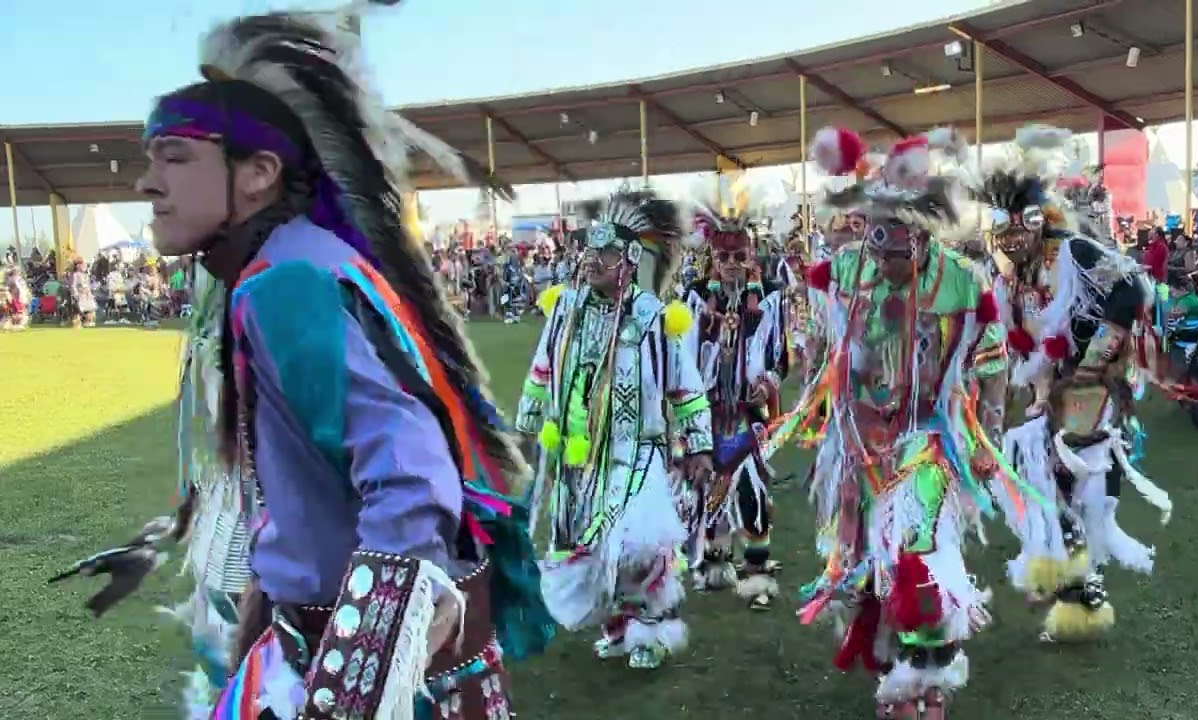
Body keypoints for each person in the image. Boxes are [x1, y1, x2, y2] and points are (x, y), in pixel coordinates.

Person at [50, 8, 554, 718]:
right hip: (321, 641)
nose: (146, 183)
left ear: (258, 174)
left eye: (176, 156)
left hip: (372, 668)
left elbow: (411, 478)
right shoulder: (288, 265)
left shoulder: (287, 282)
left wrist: (353, 687)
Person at [795, 126, 1024, 715]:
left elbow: (992, 361)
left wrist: (987, 437)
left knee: (918, 554)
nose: (885, 261)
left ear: (921, 238)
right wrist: (810, 398)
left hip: (930, 439)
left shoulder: (963, 282)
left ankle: (927, 683)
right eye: (876, 245)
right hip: (857, 442)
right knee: (860, 565)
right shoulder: (843, 272)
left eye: (896, 250)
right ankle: (898, 667)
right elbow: (819, 340)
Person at [982, 125, 1173, 646]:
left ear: (1038, 222)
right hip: (1050, 387)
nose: (1011, 243)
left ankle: (1077, 584)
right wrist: (1037, 384)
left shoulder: (1074, 252)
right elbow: (1023, 340)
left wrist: (1097, 356)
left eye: (1019, 231)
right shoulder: (1010, 280)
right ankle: (1074, 588)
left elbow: (1133, 287)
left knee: (1078, 478)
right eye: (1003, 234)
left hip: (1090, 386)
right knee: (1043, 478)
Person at [516, 191, 714, 670]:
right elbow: (542, 370)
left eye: (604, 254)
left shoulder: (651, 317)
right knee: (592, 542)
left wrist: (699, 443)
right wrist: (526, 424)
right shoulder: (566, 310)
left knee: (637, 546)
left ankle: (651, 631)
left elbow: (684, 386)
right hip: (578, 455)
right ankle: (620, 627)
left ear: (628, 261)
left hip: (636, 451)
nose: (591, 261)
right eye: (589, 252)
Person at [679, 202, 790, 610]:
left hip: (748, 413)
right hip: (707, 409)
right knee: (707, 482)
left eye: (738, 257)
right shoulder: (693, 297)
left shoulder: (772, 299)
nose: (730, 265)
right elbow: (683, 354)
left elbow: (780, 356)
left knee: (750, 487)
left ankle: (757, 571)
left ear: (751, 255)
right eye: (722, 257)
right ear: (711, 258)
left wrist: (770, 383)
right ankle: (715, 561)